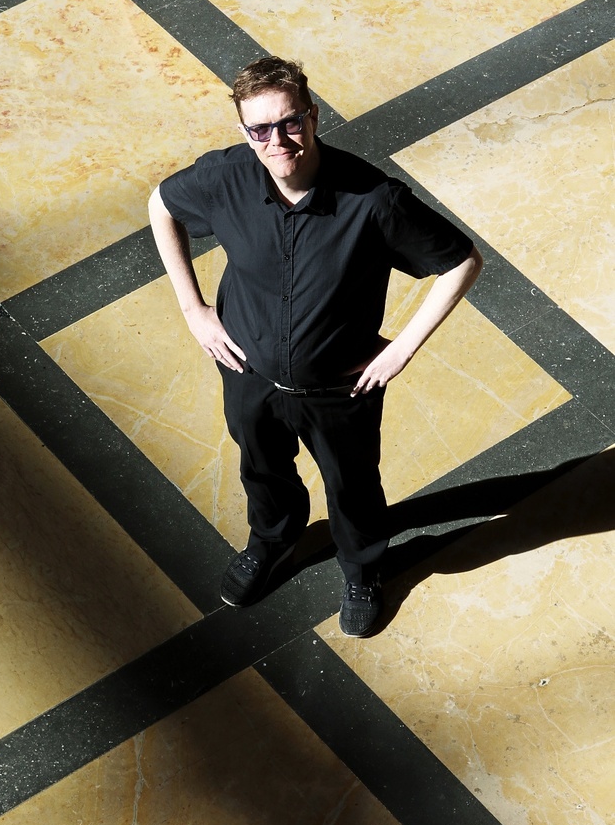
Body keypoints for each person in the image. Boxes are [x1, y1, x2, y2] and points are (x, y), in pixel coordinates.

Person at [149, 57, 482, 636]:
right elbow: (161, 204)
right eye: (260, 130)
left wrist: (401, 349)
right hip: (248, 374)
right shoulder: (225, 178)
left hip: (339, 388)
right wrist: (194, 310)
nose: (278, 141)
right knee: (262, 468)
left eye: (291, 122)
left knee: (352, 487)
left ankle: (363, 570)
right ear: (243, 131)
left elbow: (461, 261)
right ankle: (273, 544)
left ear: (313, 114)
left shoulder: (373, 199)